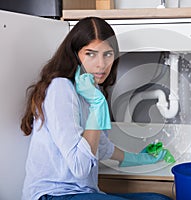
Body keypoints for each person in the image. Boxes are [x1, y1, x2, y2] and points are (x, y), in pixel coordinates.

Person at [20, 17, 172, 200]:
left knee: (160, 199)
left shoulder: (90, 88)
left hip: (84, 193)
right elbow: (80, 168)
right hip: (54, 195)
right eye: (90, 54)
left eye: (107, 54)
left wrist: (139, 158)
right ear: (75, 54)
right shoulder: (61, 88)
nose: (101, 64)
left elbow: (101, 147)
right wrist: (96, 106)